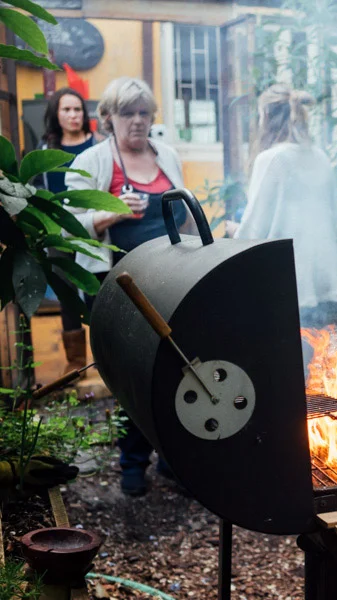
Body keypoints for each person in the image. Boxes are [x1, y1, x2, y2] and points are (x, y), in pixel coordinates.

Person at [65, 76, 195, 497]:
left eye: (144, 113)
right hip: (117, 287)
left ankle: (172, 457)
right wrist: (113, 213)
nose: (138, 121)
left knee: (175, 369)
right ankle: (132, 462)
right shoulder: (92, 161)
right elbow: (72, 226)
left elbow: (186, 213)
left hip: (170, 282)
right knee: (130, 374)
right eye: (128, 113)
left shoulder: (167, 155)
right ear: (108, 118)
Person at [234, 84, 337, 326]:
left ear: (265, 116)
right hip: (322, 278)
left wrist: (232, 236)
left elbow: (254, 228)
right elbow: (333, 216)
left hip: (283, 279)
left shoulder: (273, 158)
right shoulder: (320, 157)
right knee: (316, 352)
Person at [38, 88, 98, 376]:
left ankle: (108, 358)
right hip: (59, 232)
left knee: (98, 292)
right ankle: (76, 364)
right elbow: (37, 189)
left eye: (78, 110)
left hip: (93, 230)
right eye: (67, 110)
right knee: (67, 293)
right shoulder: (46, 151)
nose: (74, 115)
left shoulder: (98, 146)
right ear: (56, 114)